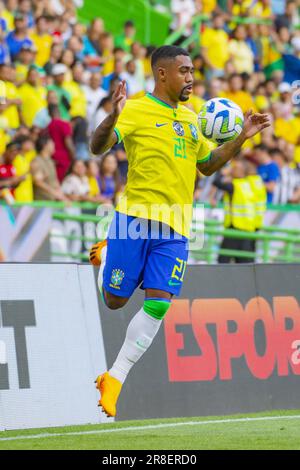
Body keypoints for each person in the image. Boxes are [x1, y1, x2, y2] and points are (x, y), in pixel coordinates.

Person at [89, 45, 270, 417]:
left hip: (177, 228)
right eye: (184, 71)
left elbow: (206, 164)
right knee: (114, 301)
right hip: (135, 219)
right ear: (162, 74)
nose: (191, 78)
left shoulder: (191, 119)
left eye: (192, 72)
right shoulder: (136, 109)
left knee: (158, 303)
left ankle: (115, 377)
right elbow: (97, 147)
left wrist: (241, 138)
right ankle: (108, 253)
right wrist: (112, 118)